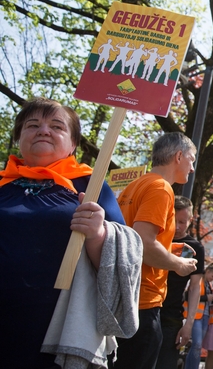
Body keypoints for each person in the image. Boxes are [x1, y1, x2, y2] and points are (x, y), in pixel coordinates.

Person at [0, 97, 141, 368]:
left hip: (57, 322)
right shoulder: (3, 184)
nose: (43, 130)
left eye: (56, 126)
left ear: (73, 143)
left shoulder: (92, 183)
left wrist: (98, 234)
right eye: (33, 125)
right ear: (20, 137)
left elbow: (123, 262)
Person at [114, 132, 198, 369]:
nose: (192, 169)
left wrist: (169, 248)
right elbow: (142, 244)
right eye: (191, 160)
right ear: (178, 156)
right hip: (142, 302)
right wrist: (178, 264)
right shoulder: (162, 188)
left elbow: (129, 238)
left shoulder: (134, 185)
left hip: (122, 295)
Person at [156, 195, 206, 369]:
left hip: (171, 317)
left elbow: (194, 289)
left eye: (183, 222)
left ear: (191, 220)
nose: (177, 227)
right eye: (174, 221)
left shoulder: (195, 248)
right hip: (147, 310)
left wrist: (189, 324)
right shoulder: (156, 240)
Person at [185, 262, 213, 369]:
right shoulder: (197, 280)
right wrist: (206, 298)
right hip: (196, 316)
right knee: (197, 344)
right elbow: (187, 295)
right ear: (208, 271)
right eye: (212, 276)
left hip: (205, 316)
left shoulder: (208, 285)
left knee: (198, 346)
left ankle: (192, 366)